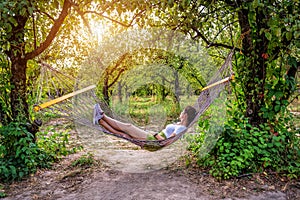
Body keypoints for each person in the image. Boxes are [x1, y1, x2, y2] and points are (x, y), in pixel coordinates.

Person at [93, 103, 197, 141]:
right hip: (153, 140)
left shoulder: (181, 128)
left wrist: (155, 134)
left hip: (154, 141)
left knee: (128, 127)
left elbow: (166, 141)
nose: (181, 112)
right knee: (124, 134)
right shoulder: (180, 126)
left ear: (185, 115)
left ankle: (102, 115)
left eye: (182, 111)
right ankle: (100, 121)